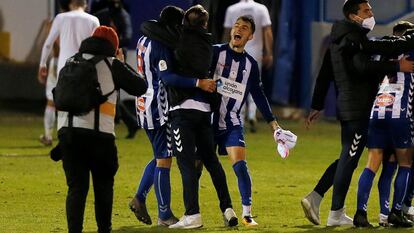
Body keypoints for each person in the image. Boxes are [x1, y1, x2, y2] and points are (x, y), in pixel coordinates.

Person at [301, 0, 414, 226]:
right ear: (354, 16)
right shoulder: (353, 38)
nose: (371, 13)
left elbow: (325, 73)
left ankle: (316, 196)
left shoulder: (341, 37)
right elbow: (362, 67)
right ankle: (335, 214)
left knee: (347, 157)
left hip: (349, 105)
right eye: (366, 10)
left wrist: (317, 104)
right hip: (358, 106)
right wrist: (396, 67)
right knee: (349, 157)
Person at [57, 26, 147, 233]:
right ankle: (104, 230)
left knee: (76, 188)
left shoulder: (71, 61)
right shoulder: (112, 63)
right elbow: (140, 87)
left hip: (68, 134)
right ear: (113, 46)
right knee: (103, 187)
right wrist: (122, 63)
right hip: (100, 137)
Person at [156, 5, 237, 229]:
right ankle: (227, 208)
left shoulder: (178, 41)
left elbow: (168, 77)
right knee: (211, 161)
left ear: (185, 23)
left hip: (182, 111)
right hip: (204, 112)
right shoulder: (208, 45)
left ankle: (193, 215)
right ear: (204, 24)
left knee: (186, 165)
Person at [212, 15, 285, 226]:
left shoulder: (251, 65)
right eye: (237, 26)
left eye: (244, 28)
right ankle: (193, 213)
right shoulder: (215, 52)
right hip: (208, 121)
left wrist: (273, 123)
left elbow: (259, 96)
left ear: (250, 36)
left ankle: (246, 214)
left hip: (232, 122)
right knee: (197, 168)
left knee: (241, 166)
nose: (239, 30)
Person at [128, 6, 184, 227]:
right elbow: (167, 77)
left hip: (142, 103)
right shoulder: (161, 46)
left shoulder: (144, 39)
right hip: (157, 108)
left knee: (160, 155)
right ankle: (165, 214)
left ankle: (140, 198)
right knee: (165, 159)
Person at [38, 0, 99, 145]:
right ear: (85, 4)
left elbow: (48, 43)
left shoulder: (61, 18)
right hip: (85, 68)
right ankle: (82, 140)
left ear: (70, 3)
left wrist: (42, 64)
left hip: (64, 69)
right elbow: (97, 46)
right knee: (83, 105)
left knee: (60, 104)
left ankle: (58, 138)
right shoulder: (93, 20)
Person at [222, 0, 273, 133]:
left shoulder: (232, 9)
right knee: (255, 85)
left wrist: (224, 51)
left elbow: (227, 32)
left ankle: (240, 117)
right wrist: (269, 52)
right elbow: (267, 31)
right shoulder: (261, 9)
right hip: (256, 53)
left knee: (236, 85)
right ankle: (251, 114)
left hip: (235, 52)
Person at [94, 0, 138, 139]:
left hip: (115, 56)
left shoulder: (122, 15)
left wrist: (112, 42)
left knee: (109, 90)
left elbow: (127, 37)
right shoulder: (103, 14)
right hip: (104, 56)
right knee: (109, 90)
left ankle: (123, 120)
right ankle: (129, 121)